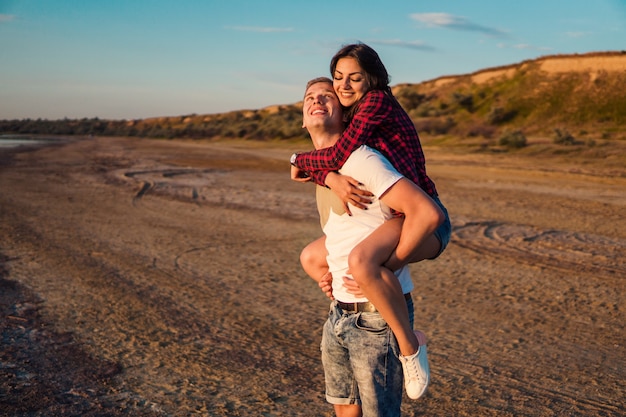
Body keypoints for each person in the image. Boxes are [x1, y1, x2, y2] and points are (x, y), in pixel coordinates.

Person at [291, 43, 451, 399]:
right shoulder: (348, 147)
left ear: (372, 79)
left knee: (363, 262)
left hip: (421, 217)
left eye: (354, 78)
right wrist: (327, 177)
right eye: (338, 78)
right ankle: (367, 279)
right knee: (313, 256)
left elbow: (340, 155)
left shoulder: (375, 106)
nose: (344, 85)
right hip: (399, 216)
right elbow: (328, 162)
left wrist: (383, 270)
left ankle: (411, 348)